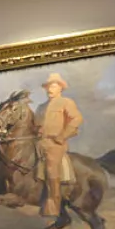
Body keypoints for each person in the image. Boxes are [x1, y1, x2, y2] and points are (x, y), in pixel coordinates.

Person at [35, 72, 83, 217]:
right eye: (48, 86)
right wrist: (37, 129)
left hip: (55, 144)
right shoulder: (41, 107)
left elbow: (77, 119)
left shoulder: (66, 102)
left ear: (60, 88)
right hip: (39, 142)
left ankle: (53, 205)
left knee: (51, 168)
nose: (50, 89)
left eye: (53, 86)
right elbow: (36, 124)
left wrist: (62, 136)